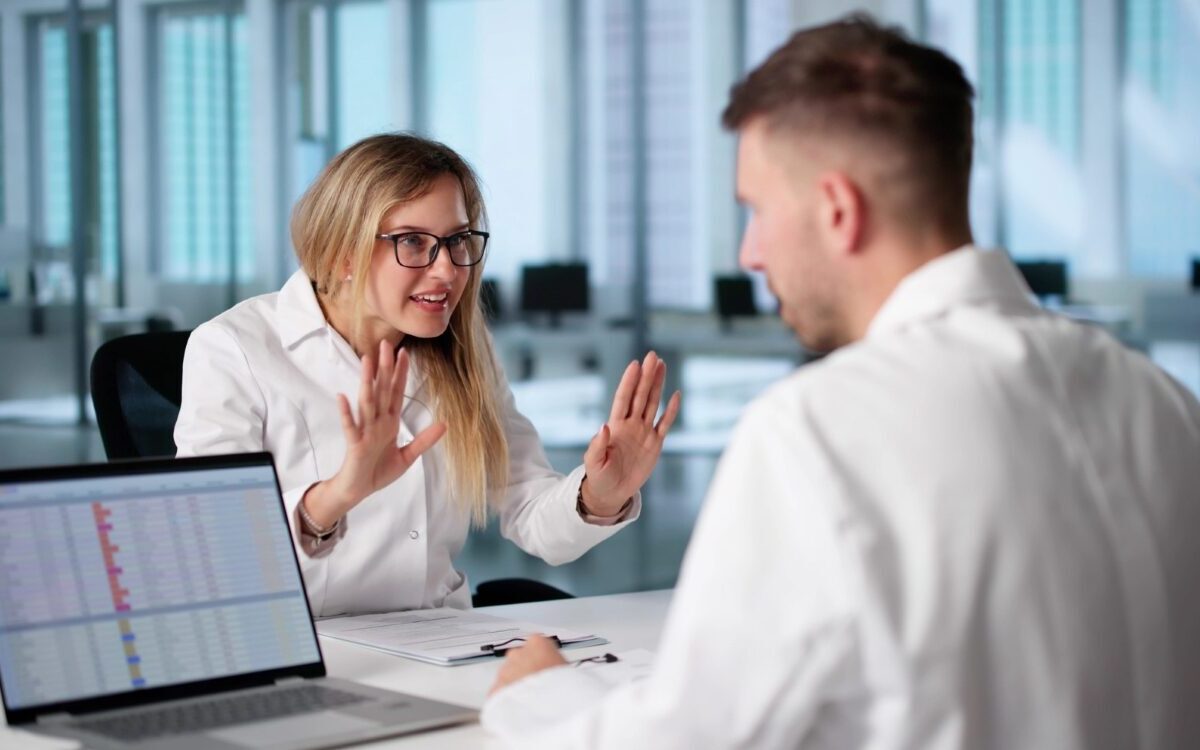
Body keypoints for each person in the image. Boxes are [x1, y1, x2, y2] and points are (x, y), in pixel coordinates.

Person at [481, 15, 1200, 749]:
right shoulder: (1165, 404)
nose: (750, 253)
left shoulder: (819, 431)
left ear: (837, 210)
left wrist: (537, 699)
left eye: (757, 211)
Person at [175, 134, 681, 617]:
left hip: (442, 641)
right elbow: (213, 549)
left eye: (458, 240)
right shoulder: (234, 349)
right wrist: (338, 494)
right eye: (414, 242)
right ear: (340, 253)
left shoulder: (463, 348)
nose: (446, 271)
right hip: (313, 647)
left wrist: (600, 494)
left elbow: (529, 511)